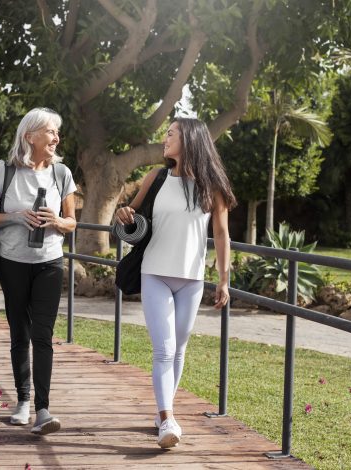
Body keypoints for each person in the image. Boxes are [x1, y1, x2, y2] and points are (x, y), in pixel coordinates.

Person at [114, 117, 236, 449]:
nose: (165, 139)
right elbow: (130, 214)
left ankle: (164, 413)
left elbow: (222, 236)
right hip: (154, 272)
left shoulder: (212, 186)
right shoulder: (155, 177)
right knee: (164, 349)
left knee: (179, 349)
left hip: (192, 279)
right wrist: (124, 213)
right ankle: (167, 417)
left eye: (170, 134)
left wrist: (223, 280)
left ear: (190, 140)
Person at [0, 107, 77, 435]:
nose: (56, 138)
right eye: (50, 131)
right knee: (20, 332)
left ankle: (43, 410)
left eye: (56, 132)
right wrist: (15, 216)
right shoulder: (5, 171)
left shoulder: (61, 174)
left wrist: (57, 221)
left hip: (49, 263)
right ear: (30, 136)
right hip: (13, 263)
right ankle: (22, 401)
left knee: (42, 335)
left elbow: (71, 223)